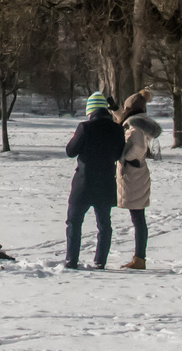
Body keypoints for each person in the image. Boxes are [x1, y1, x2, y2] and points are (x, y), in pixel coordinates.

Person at [63, 91, 126, 269]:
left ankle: (71, 260)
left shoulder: (85, 128)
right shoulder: (117, 129)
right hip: (106, 182)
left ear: (90, 110)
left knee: (74, 222)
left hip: (84, 182)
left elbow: (70, 151)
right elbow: (119, 154)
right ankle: (100, 261)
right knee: (104, 224)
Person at [115, 90, 161, 270]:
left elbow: (138, 145)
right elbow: (126, 122)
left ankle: (139, 257)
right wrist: (116, 110)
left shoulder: (134, 124)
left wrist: (126, 156)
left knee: (137, 217)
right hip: (139, 173)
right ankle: (139, 256)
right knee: (138, 216)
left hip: (133, 174)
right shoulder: (141, 121)